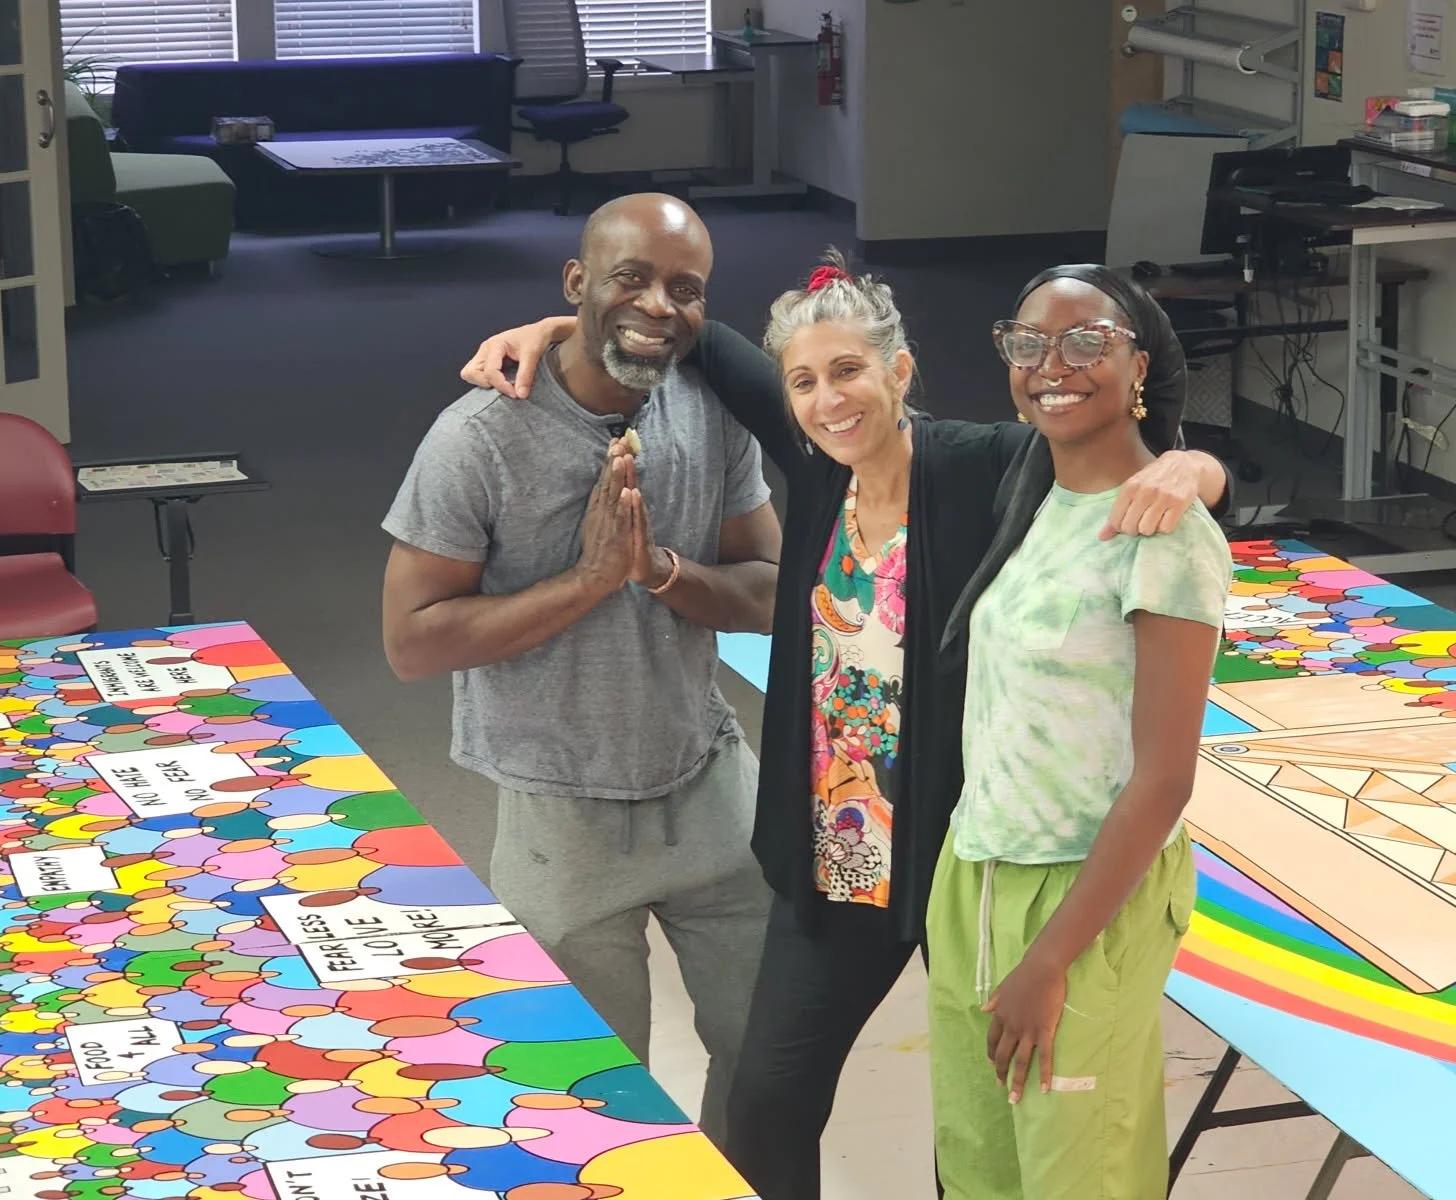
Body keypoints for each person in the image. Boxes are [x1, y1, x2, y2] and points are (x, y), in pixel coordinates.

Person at [459, 251, 1231, 1199]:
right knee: (771, 1104)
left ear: (900, 373)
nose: (829, 400)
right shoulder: (818, 468)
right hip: (838, 860)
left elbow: (1113, 446)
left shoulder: (987, 465)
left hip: (966, 860)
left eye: (852, 372)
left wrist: (1201, 466)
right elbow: (691, 332)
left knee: (983, 1124)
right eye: (807, 382)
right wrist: (552, 329)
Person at [379, 193, 782, 1141]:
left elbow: (769, 587)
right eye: (629, 278)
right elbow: (411, 642)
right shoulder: (479, 436)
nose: (657, 305)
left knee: (772, 1059)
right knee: (589, 1108)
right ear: (577, 284)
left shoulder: (712, 410)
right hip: (558, 810)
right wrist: (594, 580)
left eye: (684, 288)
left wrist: (663, 573)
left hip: (708, 785)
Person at [925, 266, 1232, 1199]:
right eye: (1028, 343)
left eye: (1086, 341)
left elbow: (1164, 781)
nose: (1052, 364)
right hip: (977, 876)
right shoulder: (1032, 492)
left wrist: (1051, 958)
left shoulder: (1164, 531)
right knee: (979, 1169)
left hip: (1085, 897)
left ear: (1140, 364)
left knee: (1079, 1177)